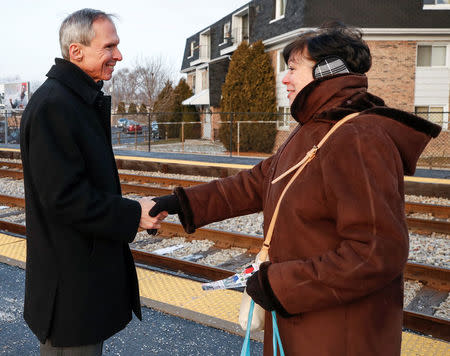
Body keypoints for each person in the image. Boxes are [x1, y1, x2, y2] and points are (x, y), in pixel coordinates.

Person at [149, 22, 441, 356]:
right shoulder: (316, 130)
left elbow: (377, 252)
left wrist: (280, 284)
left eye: (292, 69)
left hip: (339, 336)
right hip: (304, 324)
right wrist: (175, 203)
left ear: (329, 71)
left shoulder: (357, 138)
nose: (284, 79)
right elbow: (257, 182)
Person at [19, 9, 165, 355]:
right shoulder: (56, 105)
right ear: (76, 52)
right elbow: (65, 198)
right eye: (109, 47)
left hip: (77, 278)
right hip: (69, 287)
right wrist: (132, 214)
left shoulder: (74, 100)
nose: (118, 55)